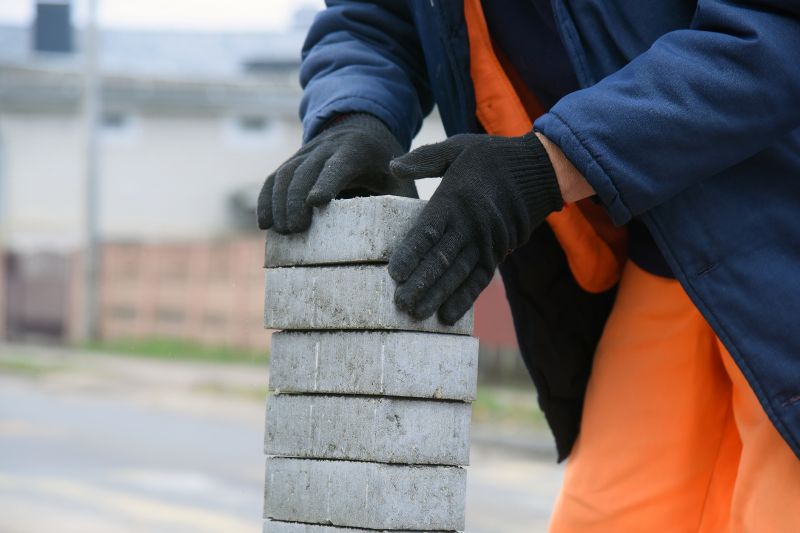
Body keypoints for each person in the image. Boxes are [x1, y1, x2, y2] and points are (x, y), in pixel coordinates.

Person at [257, 1, 800, 530]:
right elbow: (380, 15)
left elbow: (776, 27)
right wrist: (357, 115)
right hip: (665, 255)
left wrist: (552, 162)